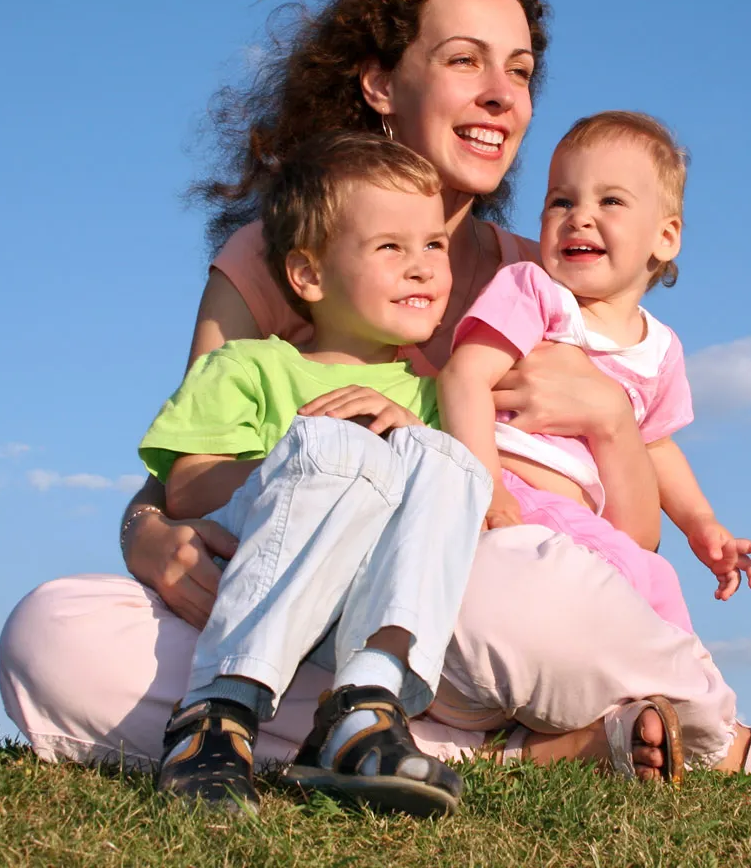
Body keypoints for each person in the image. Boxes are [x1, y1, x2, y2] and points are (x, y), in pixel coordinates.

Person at [0, 0, 751, 793]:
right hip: (290, 592)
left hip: (474, 606)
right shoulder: (279, 257)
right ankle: (492, 750)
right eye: (464, 61)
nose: (501, 96)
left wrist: (607, 417)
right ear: (380, 84)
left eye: (518, 71)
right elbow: (188, 466)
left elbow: (618, 543)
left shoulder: (549, 278)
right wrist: (147, 536)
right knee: (54, 635)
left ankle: (728, 745)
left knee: (511, 586)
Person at [140, 132, 489, 815]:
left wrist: (405, 438)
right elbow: (186, 488)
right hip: (260, 569)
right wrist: (306, 459)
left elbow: (455, 522)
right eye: (390, 247)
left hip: (361, 600)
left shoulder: (435, 397)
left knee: (448, 461)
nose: (421, 268)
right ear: (309, 275)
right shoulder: (248, 366)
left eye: (433, 245)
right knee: (340, 449)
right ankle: (216, 712)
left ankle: (363, 708)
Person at [439, 110, 751, 635]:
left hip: (580, 522)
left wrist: (700, 523)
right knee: (643, 594)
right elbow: (464, 376)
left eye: (610, 201)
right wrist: (486, 484)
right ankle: (678, 683)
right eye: (561, 201)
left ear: (666, 237)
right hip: (517, 494)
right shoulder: (535, 292)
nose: (579, 217)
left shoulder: (660, 348)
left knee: (651, 587)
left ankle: (676, 684)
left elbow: (656, 446)